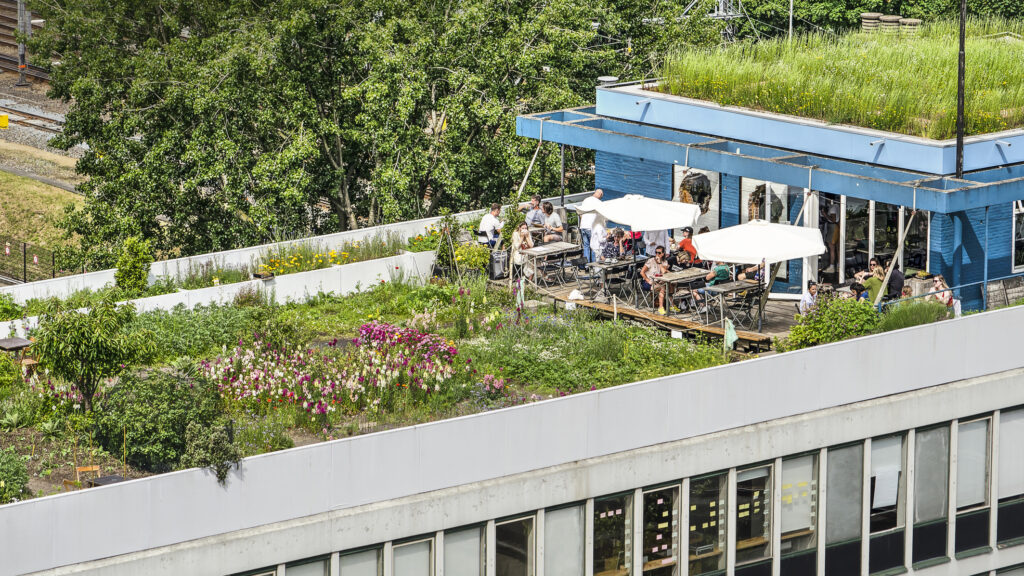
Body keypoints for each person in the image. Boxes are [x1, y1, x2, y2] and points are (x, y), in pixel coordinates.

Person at [640, 245, 673, 315]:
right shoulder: (650, 261)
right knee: (662, 288)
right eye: (656, 252)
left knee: (671, 284)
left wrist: (659, 263)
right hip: (647, 282)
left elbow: (663, 272)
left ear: (663, 254)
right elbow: (642, 272)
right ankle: (660, 307)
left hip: (658, 281)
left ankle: (672, 305)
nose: (657, 254)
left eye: (659, 253)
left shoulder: (664, 262)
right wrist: (647, 280)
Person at [579, 189, 603, 262]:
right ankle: (593, 265)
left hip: (583, 226)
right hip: (591, 227)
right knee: (594, 246)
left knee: (586, 246)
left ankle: (586, 265)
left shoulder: (586, 200)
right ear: (600, 195)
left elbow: (580, 213)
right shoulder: (599, 202)